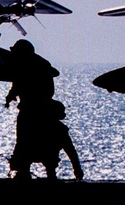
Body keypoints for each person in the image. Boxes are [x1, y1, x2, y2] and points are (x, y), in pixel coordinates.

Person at [5, 40, 83, 180]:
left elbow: (18, 84)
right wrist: (77, 169)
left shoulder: (27, 67)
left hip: (30, 112)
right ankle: (40, 174)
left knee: (24, 143)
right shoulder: (38, 65)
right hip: (35, 110)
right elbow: (70, 150)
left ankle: (25, 172)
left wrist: (11, 95)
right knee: (28, 145)